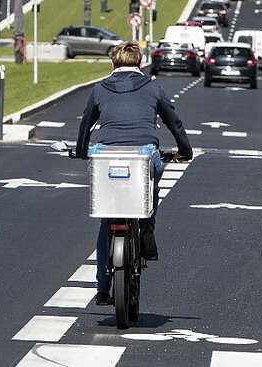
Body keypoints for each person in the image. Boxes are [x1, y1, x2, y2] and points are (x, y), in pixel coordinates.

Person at [75, 41, 193, 306]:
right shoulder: (153, 88)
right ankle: (146, 232)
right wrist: (185, 150)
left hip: (107, 156)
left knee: (107, 217)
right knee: (151, 190)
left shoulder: (99, 89)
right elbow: (173, 121)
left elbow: (86, 123)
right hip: (143, 154)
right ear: (140, 64)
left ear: (112, 64)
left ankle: (102, 288)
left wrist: (82, 151)